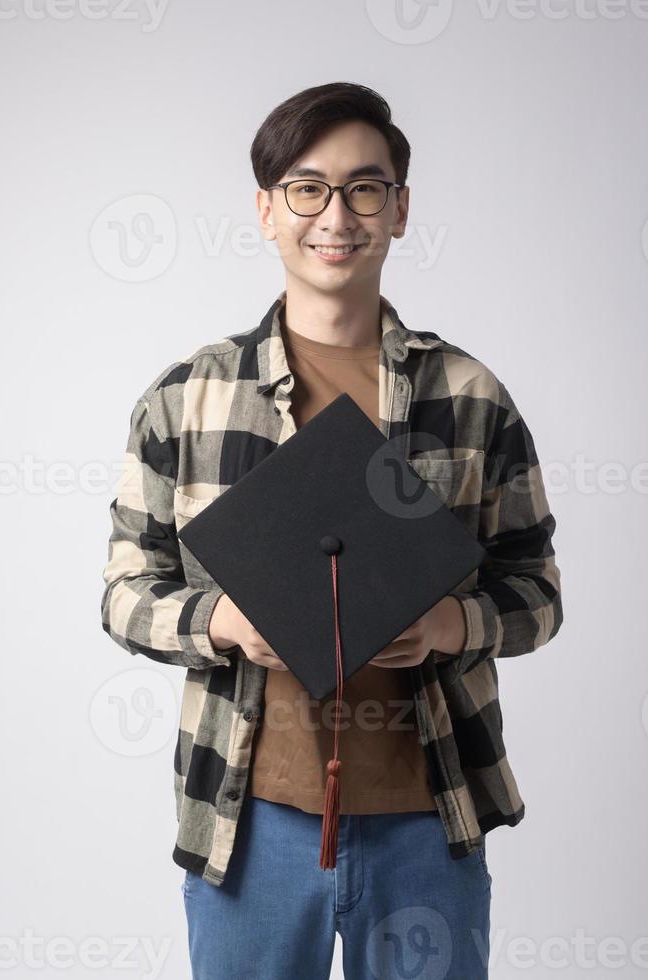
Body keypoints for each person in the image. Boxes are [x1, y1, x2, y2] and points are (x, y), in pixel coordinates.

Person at [101, 81, 564, 980]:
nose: (336, 215)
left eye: (364, 187)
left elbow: (537, 590)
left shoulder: (468, 396)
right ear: (267, 210)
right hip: (249, 824)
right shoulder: (186, 397)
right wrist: (222, 624)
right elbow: (125, 591)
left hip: (430, 821)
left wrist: (452, 626)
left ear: (399, 209)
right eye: (307, 188)